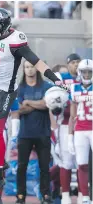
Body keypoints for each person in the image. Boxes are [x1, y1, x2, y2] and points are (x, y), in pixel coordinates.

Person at [0, 8, 65, 196]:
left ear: (4, 26)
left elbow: (37, 62)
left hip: (7, 90)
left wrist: (55, 79)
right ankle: (0, 162)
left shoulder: (16, 42)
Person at [15, 60, 53, 204]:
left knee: (44, 166)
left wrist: (28, 102)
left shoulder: (46, 86)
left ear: (36, 69)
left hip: (43, 133)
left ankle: (46, 195)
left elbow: (47, 104)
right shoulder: (19, 88)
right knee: (21, 166)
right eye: (26, 67)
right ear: (23, 69)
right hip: (25, 134)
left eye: (32, 67)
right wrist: (38, 104)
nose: (29, 70)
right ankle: (20, 196)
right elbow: (18, 109)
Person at [52, 53, 81, 203]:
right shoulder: (62, 78)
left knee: (83, 162)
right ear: (68, 64)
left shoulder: (86, 78)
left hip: (84, 125)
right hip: (64, 125)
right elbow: (53, 99)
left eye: (78, 62)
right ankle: (65, 195)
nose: (76, 65)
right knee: (66, 162)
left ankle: (83, 194)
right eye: (73, 62)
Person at [68, 59, 93, 204]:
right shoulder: (74, 88)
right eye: (84, 71)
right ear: (80, 72)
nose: (87, 74)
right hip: (80, 130)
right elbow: (72, 115)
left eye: (90, 72)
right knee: (82, 164)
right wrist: (70, 135)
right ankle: (85, 196)